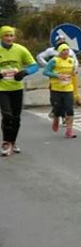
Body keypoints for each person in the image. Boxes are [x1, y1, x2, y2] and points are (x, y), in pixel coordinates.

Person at [0, 25, 39, 156]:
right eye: (6, 35)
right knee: (7, 115)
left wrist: (24, 72)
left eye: (11, 35)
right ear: (1, 36)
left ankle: (13, 141)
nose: (9, 38)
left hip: (17, 88)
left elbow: (34, 66)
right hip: (2, 89)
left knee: (16, 118)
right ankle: (6, 142)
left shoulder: (20, 49)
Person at [43, 43, 78, 138]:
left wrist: (74, 73)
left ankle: (69, 131)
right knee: (57, 108)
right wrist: (57, 75)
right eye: (63, 50)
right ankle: (56, 119)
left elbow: (73, 72)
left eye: (67, 50)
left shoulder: (71, 61)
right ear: (59, 52)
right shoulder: (54, 61)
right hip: (56, 88)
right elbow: (45, 72)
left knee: (69, 109)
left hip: (68, 88)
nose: (66, 52)